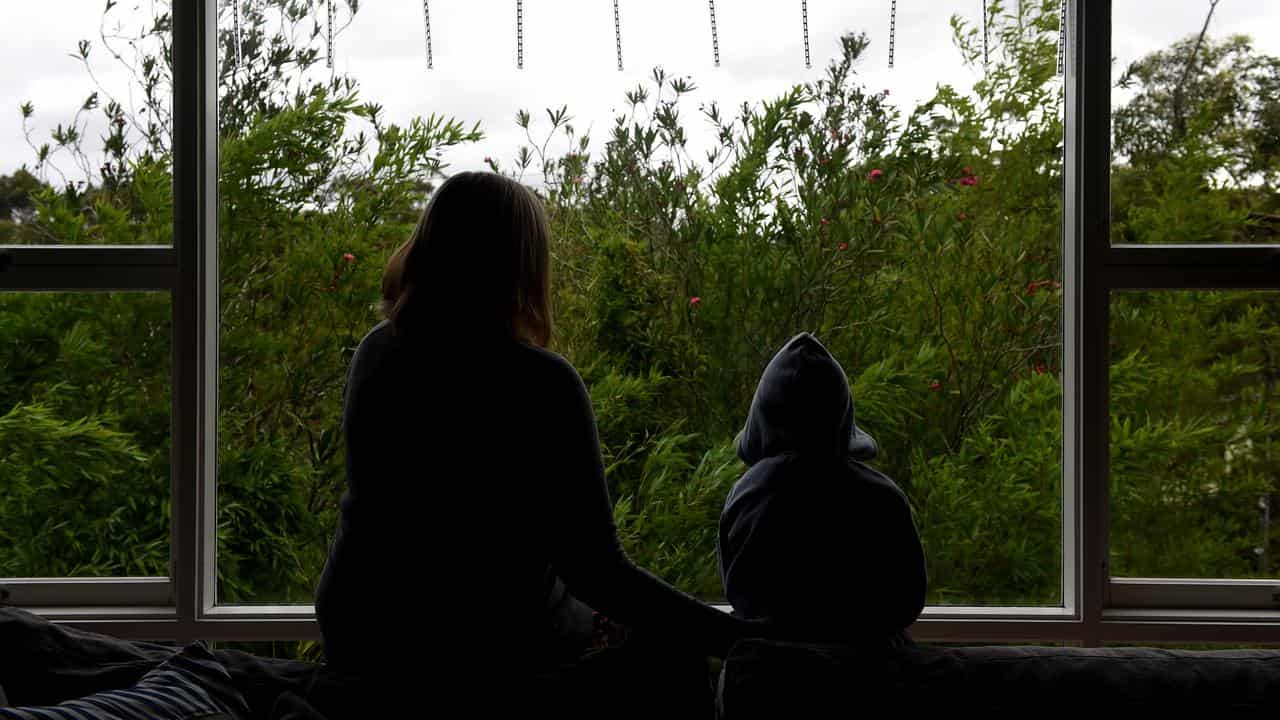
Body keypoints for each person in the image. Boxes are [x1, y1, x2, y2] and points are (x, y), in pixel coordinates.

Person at [314, 171, 752, 712]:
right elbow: (597, 569)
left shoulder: (377, 354)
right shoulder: (542, 384)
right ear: (518, 266)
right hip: (490, 656)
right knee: (668, 658)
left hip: (364, 639)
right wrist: (735, 638)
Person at [718, 332, 927, 648]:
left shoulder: (745, 498)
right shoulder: (883, 499)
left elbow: (738, 589)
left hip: (768, 673)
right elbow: (908, 601)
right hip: (873, 673)